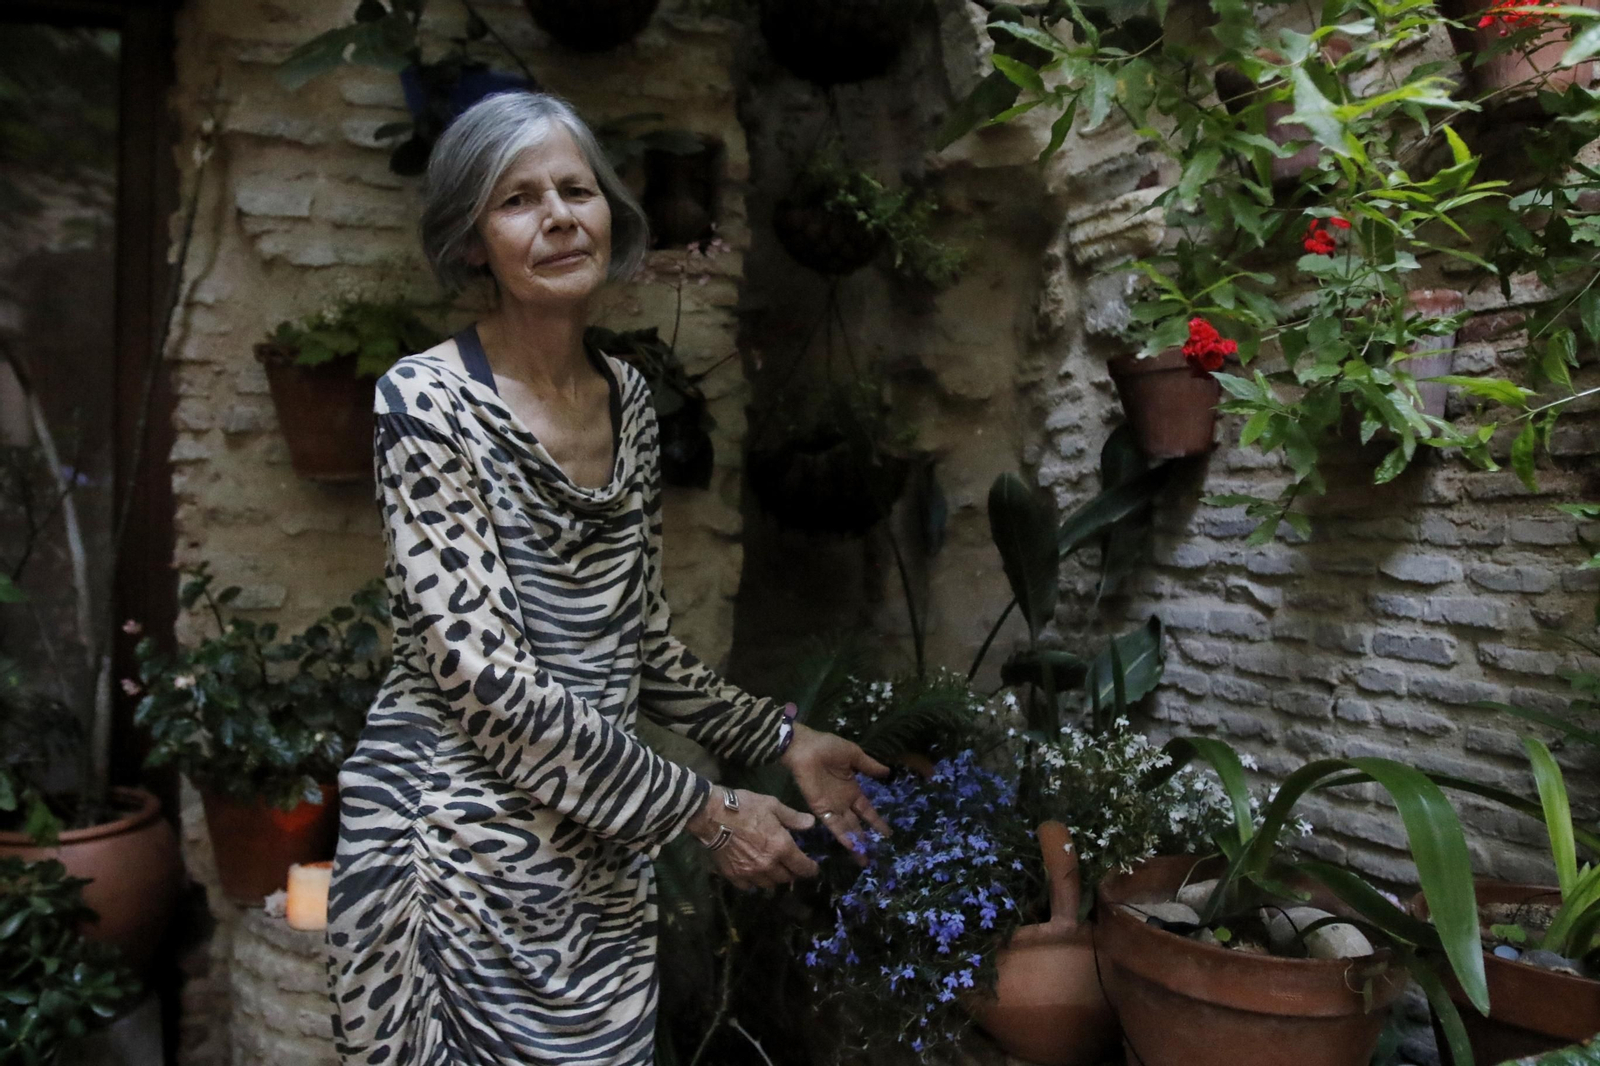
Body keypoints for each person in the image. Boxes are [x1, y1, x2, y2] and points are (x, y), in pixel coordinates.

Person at [325, 91, 890, 1066]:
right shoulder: (424, 402)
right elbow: (486, 682)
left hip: (593, 856)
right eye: (517, 200)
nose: (556, 216)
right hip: (448, 859)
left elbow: (631, 639)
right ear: (471, 239)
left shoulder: (628, 399)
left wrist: (782, 737)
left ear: (610, 215)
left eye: (575, 190)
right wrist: (710, 812)